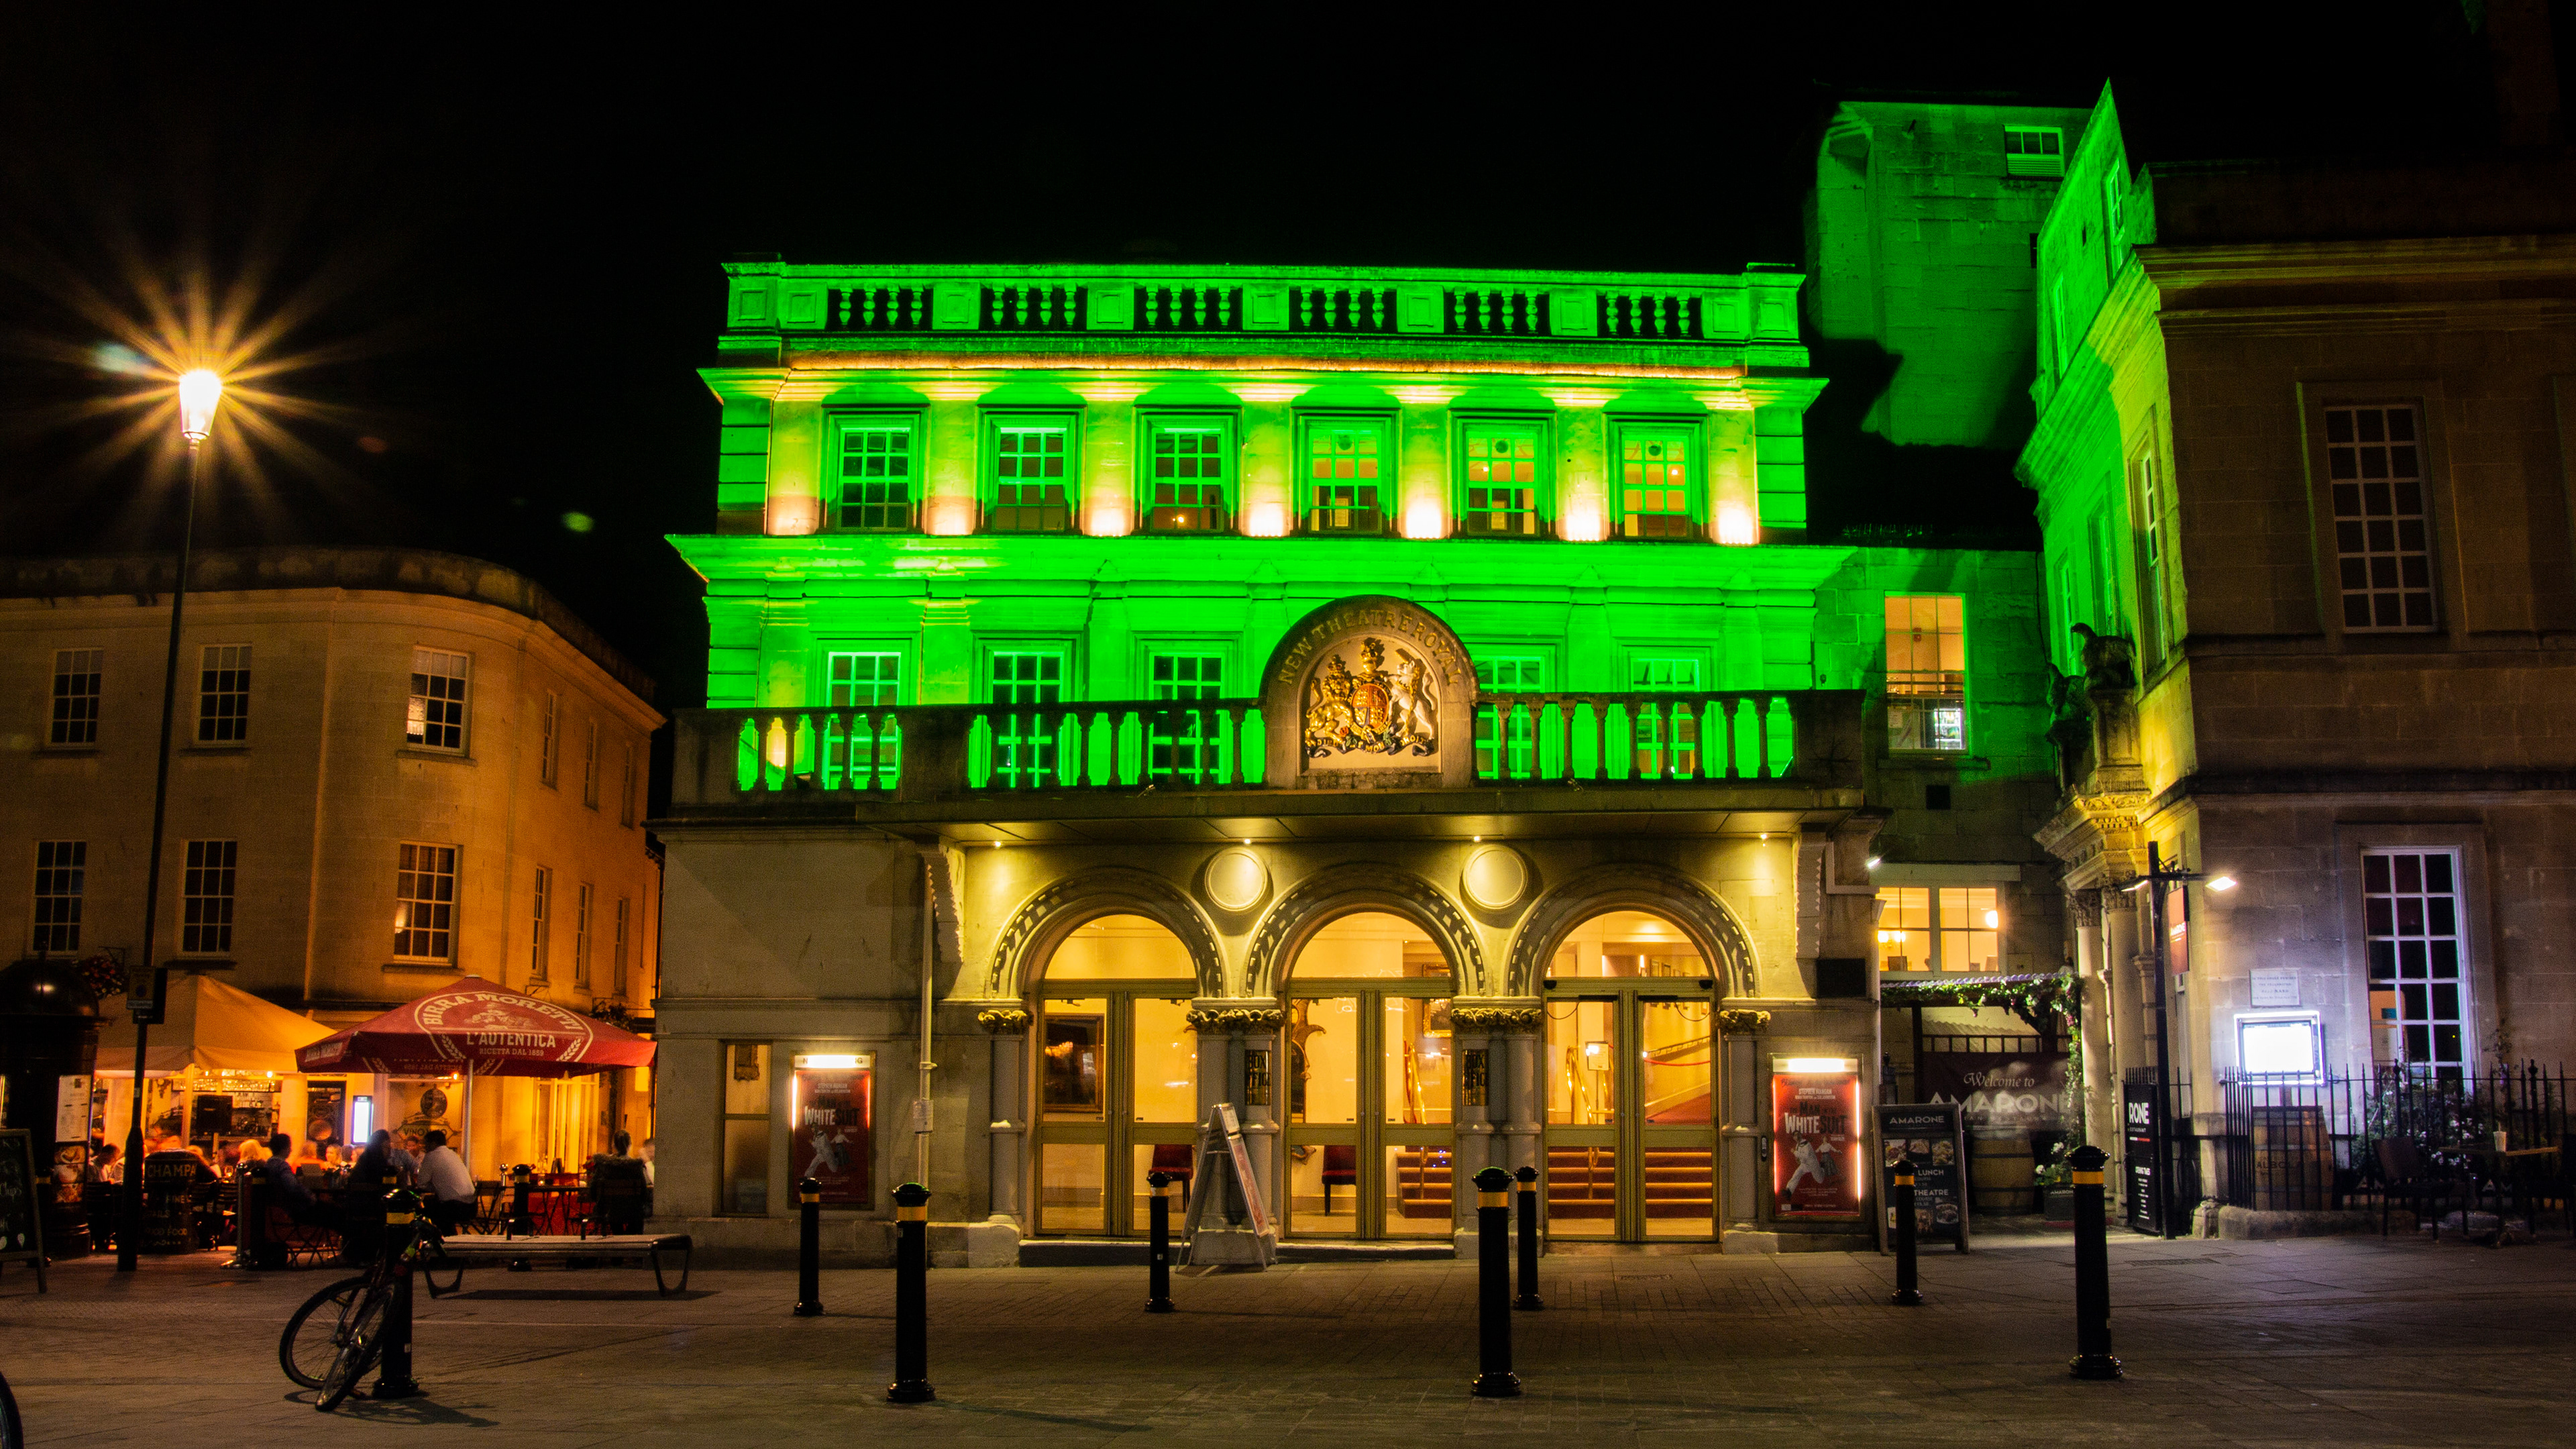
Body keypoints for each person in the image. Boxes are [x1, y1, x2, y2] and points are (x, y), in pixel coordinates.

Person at [416, 1130, 476, 1235]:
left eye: (426, 1144)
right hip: (472, 1206)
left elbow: (421, 1184)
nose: (425, 1147)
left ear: (433, 1143)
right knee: (436, 1205)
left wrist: (436, 1187)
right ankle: (450, 1235)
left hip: (455, 1207)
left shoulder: (431, 1156)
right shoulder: (453, 1155)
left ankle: (441, 1236)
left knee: (422, 1209)